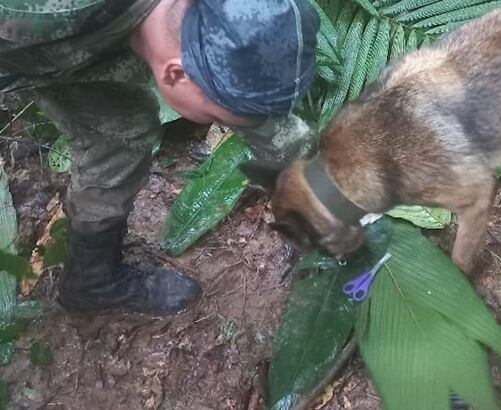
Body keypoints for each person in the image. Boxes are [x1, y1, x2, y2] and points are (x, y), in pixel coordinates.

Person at [0, 0, 320, 315]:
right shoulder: (36, 11)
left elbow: (244, 93)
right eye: (216, 118)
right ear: (175, 74)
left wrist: (319, 186)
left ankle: (92, 279)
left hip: (74, 45)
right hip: (25, 46)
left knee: (121, 132)